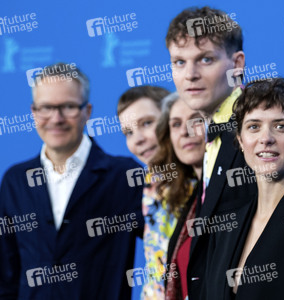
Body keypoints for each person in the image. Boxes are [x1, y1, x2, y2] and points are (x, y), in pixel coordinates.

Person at [0, 63, 143, 299]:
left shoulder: (124, 176)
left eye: (68, 107)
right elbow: (6, 273)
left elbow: (167, 241)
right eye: (46, 107)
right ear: (33, 112)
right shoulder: (16, 180)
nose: (56, 118)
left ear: (87, 111)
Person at [166, 6, 256, 299]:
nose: (190, 75)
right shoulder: (211, 132)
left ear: (237, 62)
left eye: (205, 59)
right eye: (179, 62)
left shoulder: (257, 128)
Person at [204, 78, 284, 299]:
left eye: (280, 126)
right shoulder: (227, 226)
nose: (265, 139)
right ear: (240, 139)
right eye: (254, 127)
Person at [117, 85, 170, 299]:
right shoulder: (147, 185)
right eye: (128, 132)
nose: (138, 139)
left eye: (146, 123)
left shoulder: (203, 178)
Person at [151, 94, 205, 300]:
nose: (185, 131)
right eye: (176, 124)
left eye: (196, 120)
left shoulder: (235, 192)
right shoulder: (192, 200)